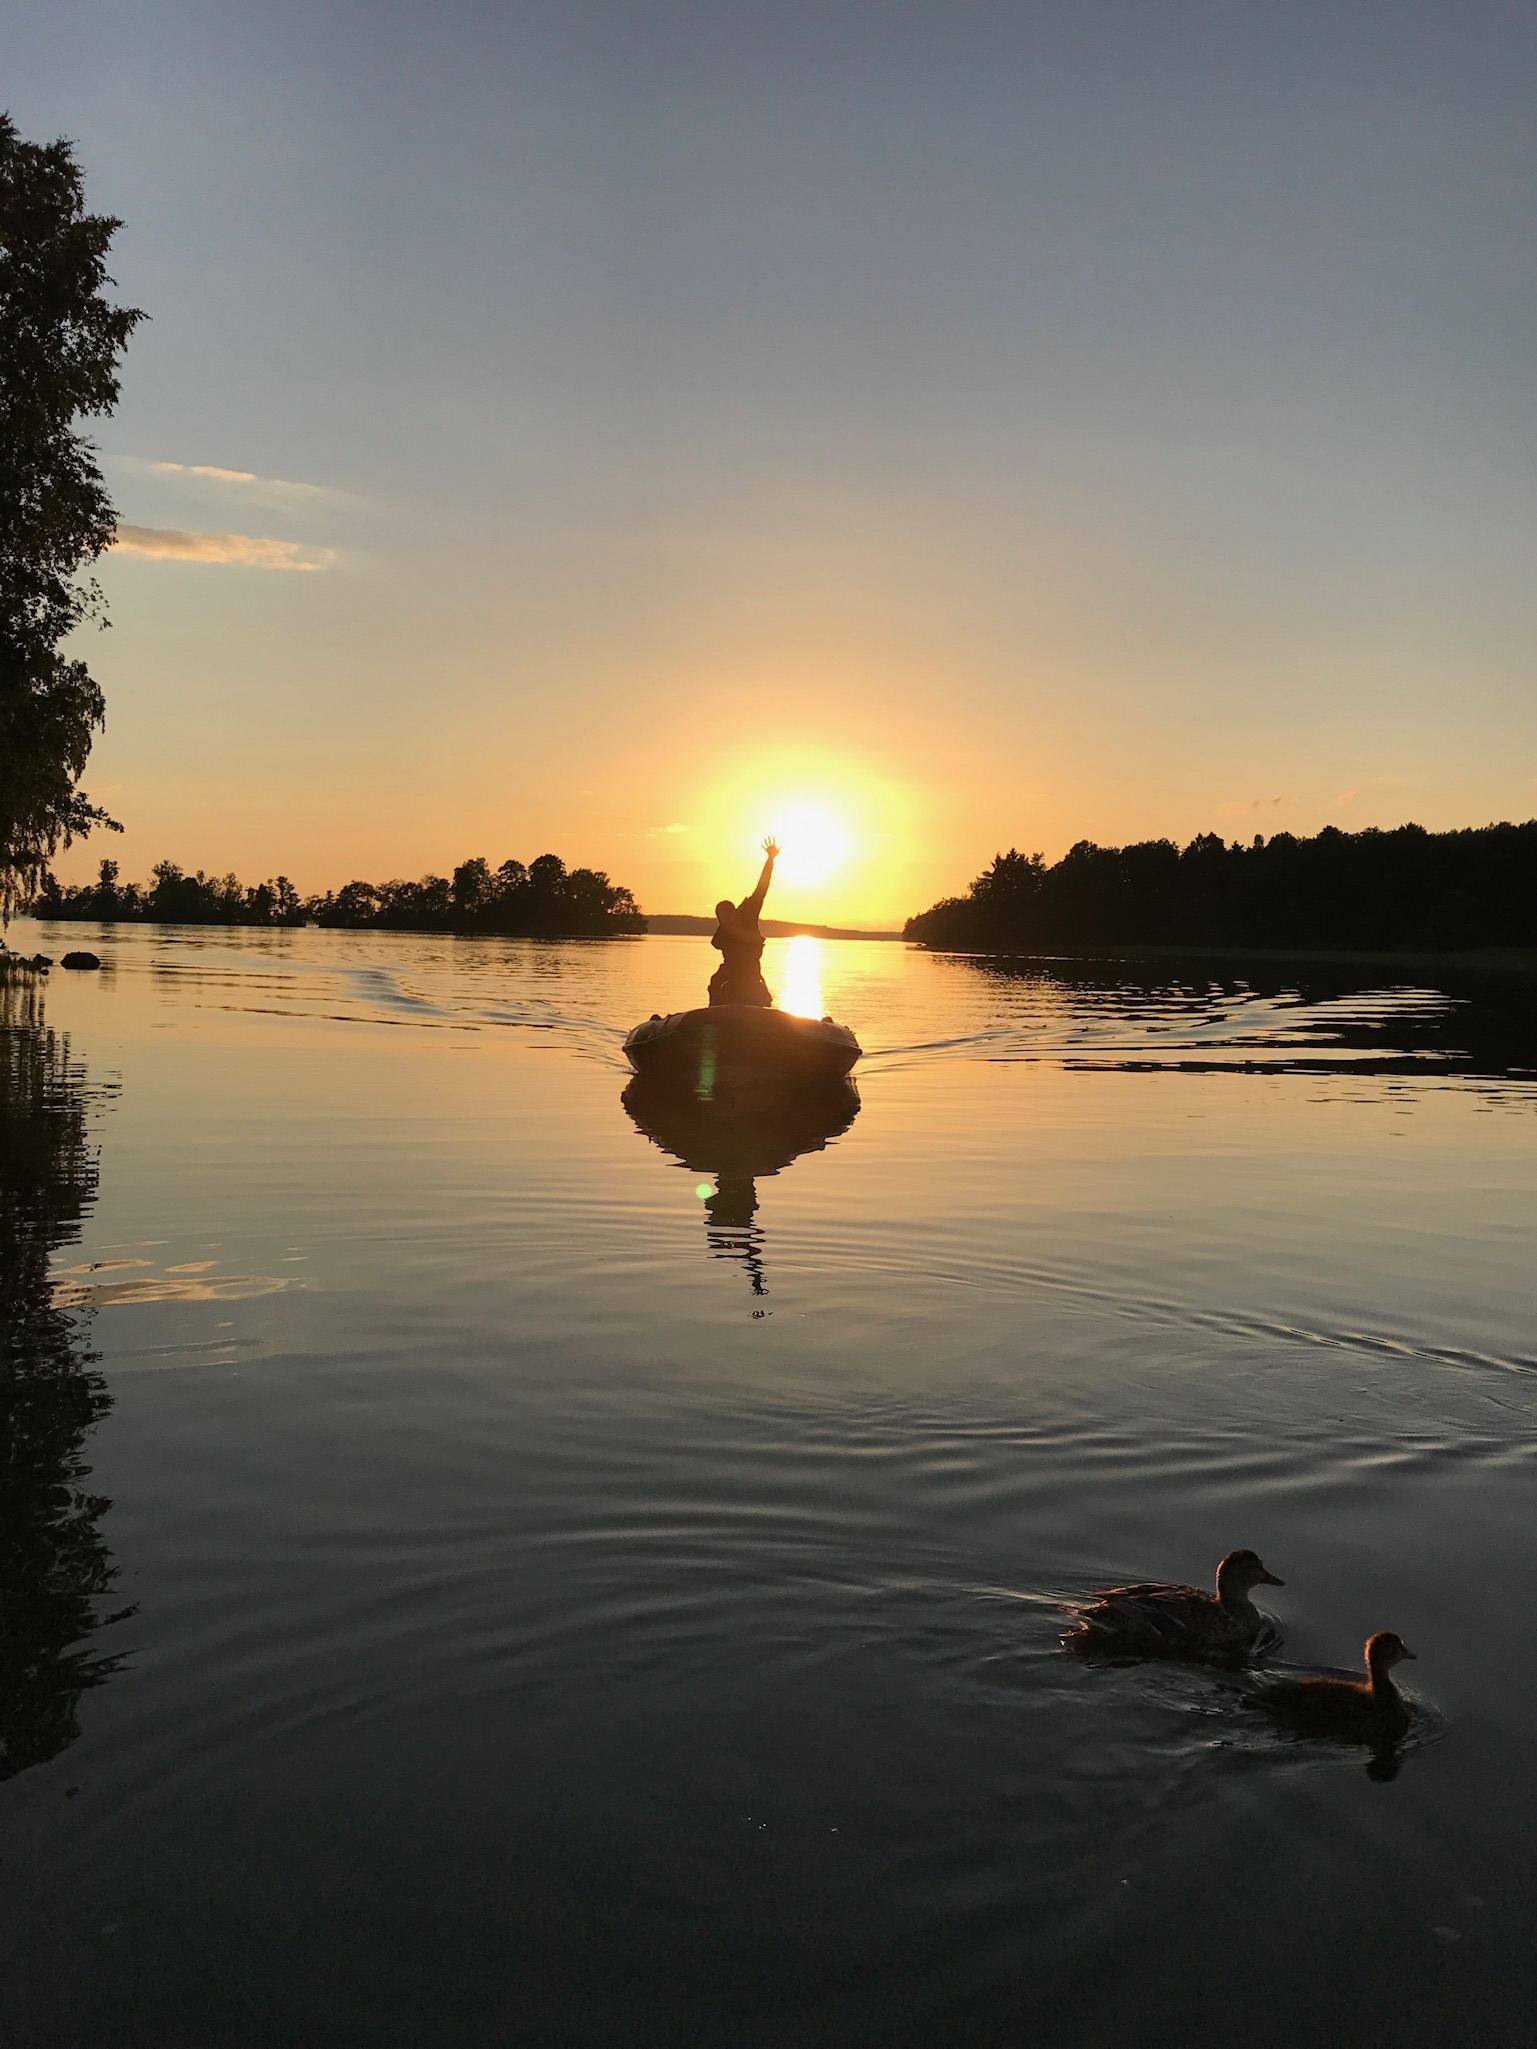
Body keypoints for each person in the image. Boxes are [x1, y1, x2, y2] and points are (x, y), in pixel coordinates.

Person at [707, 838, 778, 1006]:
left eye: (727, 915)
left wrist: (770, 859)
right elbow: (717, 943)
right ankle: (713, 1011)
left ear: (734, 912)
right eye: (721, 918)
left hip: (751, 974)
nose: (725, 921)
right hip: (729, 974)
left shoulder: (748, 914)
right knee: (715, 981)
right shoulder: (721, 934)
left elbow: (762, 888)